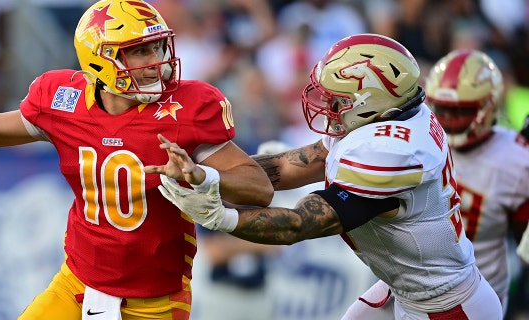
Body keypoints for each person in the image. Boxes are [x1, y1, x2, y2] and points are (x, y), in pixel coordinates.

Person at [0, 0, 274, 319]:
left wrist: (201, 175)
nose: (156, 62)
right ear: (102, 60)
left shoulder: (188, 108)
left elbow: (258, 187)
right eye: (140, 51)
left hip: (156, 300)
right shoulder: (63, 99)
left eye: (158, 48)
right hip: (77, 284)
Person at [154, 33, 504, 319]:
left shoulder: (392, 153)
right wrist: (204, 173)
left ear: (371, 100)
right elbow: (295, 164)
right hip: (405, 288)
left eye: (338, 100)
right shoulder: (389, 117)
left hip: (445, 306)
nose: (329, 107)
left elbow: (299, 224)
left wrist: (222, 216)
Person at [424, 49, 529, 315]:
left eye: (458, 111)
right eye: (441, 108)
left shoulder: (516, 160)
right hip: (417, 282)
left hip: (477, 295)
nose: (447, 119)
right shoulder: (420, 140)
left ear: (488, 107)